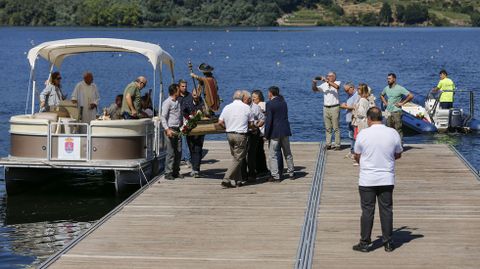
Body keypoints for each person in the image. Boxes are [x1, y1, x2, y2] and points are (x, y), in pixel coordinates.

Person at [352, 107, 403, 253]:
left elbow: (357, 154)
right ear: (381, 117)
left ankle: (365, 243)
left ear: (368, 119)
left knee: (367, 211)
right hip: (386, 178)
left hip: (367, 179)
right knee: (386, 210)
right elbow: (398, 154)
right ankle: (388, 243)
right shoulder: (392, 133)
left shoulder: (363, 134)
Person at [218, 90, 254, 188]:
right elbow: (251, 123)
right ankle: (226, 178)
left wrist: (226, 128)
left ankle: (238, 180)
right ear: (242, 97)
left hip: (229, 134)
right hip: (241, 135)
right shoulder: (246, 107)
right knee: (238, 158)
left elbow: (220, 122)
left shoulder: (227, 107)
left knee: (235, 158)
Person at [265, 86, 295, 182]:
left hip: (275, 132)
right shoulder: (283, 103)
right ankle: (291, 173)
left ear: (271, 93)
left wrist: (266, 134)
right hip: (285, 130)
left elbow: (269, 120)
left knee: (273, 154)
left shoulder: (269, 104)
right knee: (287, 152)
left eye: (268, 92)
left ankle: (276, 175)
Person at [312, 72, 341, 150]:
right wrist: (314, 83)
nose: (328, 77)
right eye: (327, 76)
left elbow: (336, 87)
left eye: (330, 76)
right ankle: (328, 144)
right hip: (325, 107)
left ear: (334, 77)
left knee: (336, 127)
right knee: (327, 127)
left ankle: (337, 144)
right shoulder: (324, 85)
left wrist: (326, 80)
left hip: (335, 107)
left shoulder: (337, 82)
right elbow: (315, 89)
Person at [240, 90, 265, 185]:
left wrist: (256, 127)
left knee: (251, 154)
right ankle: (243, 175)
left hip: (253, 132)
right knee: (242, 154)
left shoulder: (255, 107)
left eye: (245, 99)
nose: (243, 100)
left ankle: (252, 174)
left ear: (249, 99)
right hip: (243, 132)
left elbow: (262, 118)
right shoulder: (241, 106)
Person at [380, 73, 414, 141]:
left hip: (397, 112)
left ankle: (400, 145)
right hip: (388, 112)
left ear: (394, 79)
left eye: (389, 79)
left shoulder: (400, 88)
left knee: (398, 129)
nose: (388, 80)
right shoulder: (386, 88)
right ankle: (391, 145)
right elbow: (381, 95)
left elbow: (411, 96)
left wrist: (402, 103)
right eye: (387, 79)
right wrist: (385, 103)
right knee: (389, 129)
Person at [182, 88, 206, 178]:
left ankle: (196, 169)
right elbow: (183, 112)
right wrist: (189, 117)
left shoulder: (202, 102)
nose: (196, 94)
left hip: (200, 128)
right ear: (192, 94)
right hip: (189, 128)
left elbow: (206, 112)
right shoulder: (187, 102)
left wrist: (202, 112)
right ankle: (194, 167)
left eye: (198, 93)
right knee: (191, 148)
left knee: (198, 148)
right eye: (194, 93)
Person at [161, 83, 183, 180]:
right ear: (174, 91)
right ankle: (168, 172)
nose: (180, 91)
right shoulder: (167, 102)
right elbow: (163, 117)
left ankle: (176, 171)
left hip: (178, 129)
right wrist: (167, 129)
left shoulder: (178, 101)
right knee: (170, 152)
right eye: (178, 90)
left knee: (178, 151)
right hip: (170, 129)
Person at [251, 90, 269, 176]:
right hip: (260, 131)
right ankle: (260, 168)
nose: (253, 99)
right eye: (252, 97)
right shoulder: (257, 105)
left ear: (259, 97)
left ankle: (261, 169)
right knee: (259, 151)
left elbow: (263, 115)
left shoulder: (261, 105)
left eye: (255, 97)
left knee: (259, 151)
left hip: (260, 131)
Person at [340, 82, 359, 158]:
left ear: (352, 88)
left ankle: (355, 152)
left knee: (354, 135)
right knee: (351, 135)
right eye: (345, 90)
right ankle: (352, 151)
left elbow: (355, 107)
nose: (346, 92)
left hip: (354, 118)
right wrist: (345, 105)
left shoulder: (356, 95)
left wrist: (344, 107)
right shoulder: (350, 94)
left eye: (347, 90)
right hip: (349, 118)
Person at [177, 79, 191, 168]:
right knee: (178, 141)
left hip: (186, 121)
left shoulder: (189, 96)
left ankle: (187, 159)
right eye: (182, 86)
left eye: (185, 86)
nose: (184, 88)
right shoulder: (176, 96)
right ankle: (181, 158)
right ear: (179, 87)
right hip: (177, 121)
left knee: (185, 140)